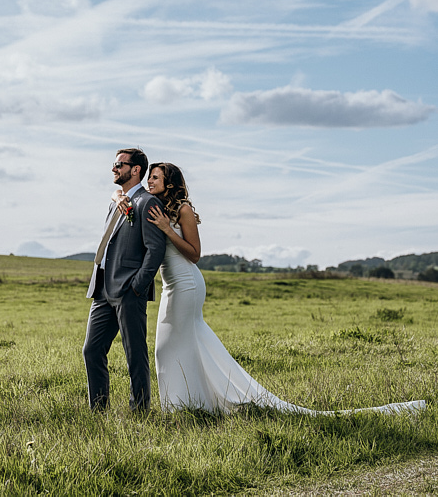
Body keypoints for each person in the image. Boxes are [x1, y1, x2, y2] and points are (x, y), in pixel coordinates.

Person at [114, 161, 425, 415]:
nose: (150, 181)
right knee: (175, 346)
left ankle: (188, 406)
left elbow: (195, 254)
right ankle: (193, 404)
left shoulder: (182, 210)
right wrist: (119, 198)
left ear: (169, 183)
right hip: (170, 285)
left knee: (171, 345)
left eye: (155, 177)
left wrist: (168, 230)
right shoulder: (156, 207)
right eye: (150, 177)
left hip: (187, 283)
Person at [83, 148, 167, 412]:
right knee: (91, 350)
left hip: (129, 289)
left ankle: (140, 411)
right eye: (115, 164)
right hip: (103, 288)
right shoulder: (116, 201)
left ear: (136, 170)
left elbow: (155, 249)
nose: (114, 168)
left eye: (119, 165)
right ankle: (98, 410)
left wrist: (138, 286)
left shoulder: (147, 202)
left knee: (134, 353)